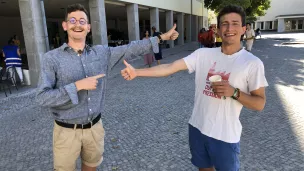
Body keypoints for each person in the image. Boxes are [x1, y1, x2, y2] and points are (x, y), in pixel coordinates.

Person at [121, 5, 268, 171]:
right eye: (224, 24)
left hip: (225, 136)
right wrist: (137, 72)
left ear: (243, 28)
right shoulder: (203, 54)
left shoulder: (252, 63)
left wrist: (233, 92)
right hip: (198, 129)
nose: (229, 28)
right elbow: (169, 67)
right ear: (218, 29)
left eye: (235, 23)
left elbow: (260, 103)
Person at [35, 3, 178, 171]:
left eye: (82, 21)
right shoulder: (51, 58)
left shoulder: (101, 54)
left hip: (94, 128)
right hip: (66, 132)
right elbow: (42, 97)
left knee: (91, 166)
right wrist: (77, 86)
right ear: (65, 25)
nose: (77, 24)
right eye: (72, 20)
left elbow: (130, 48)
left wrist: (161, 38)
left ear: (88, 27)